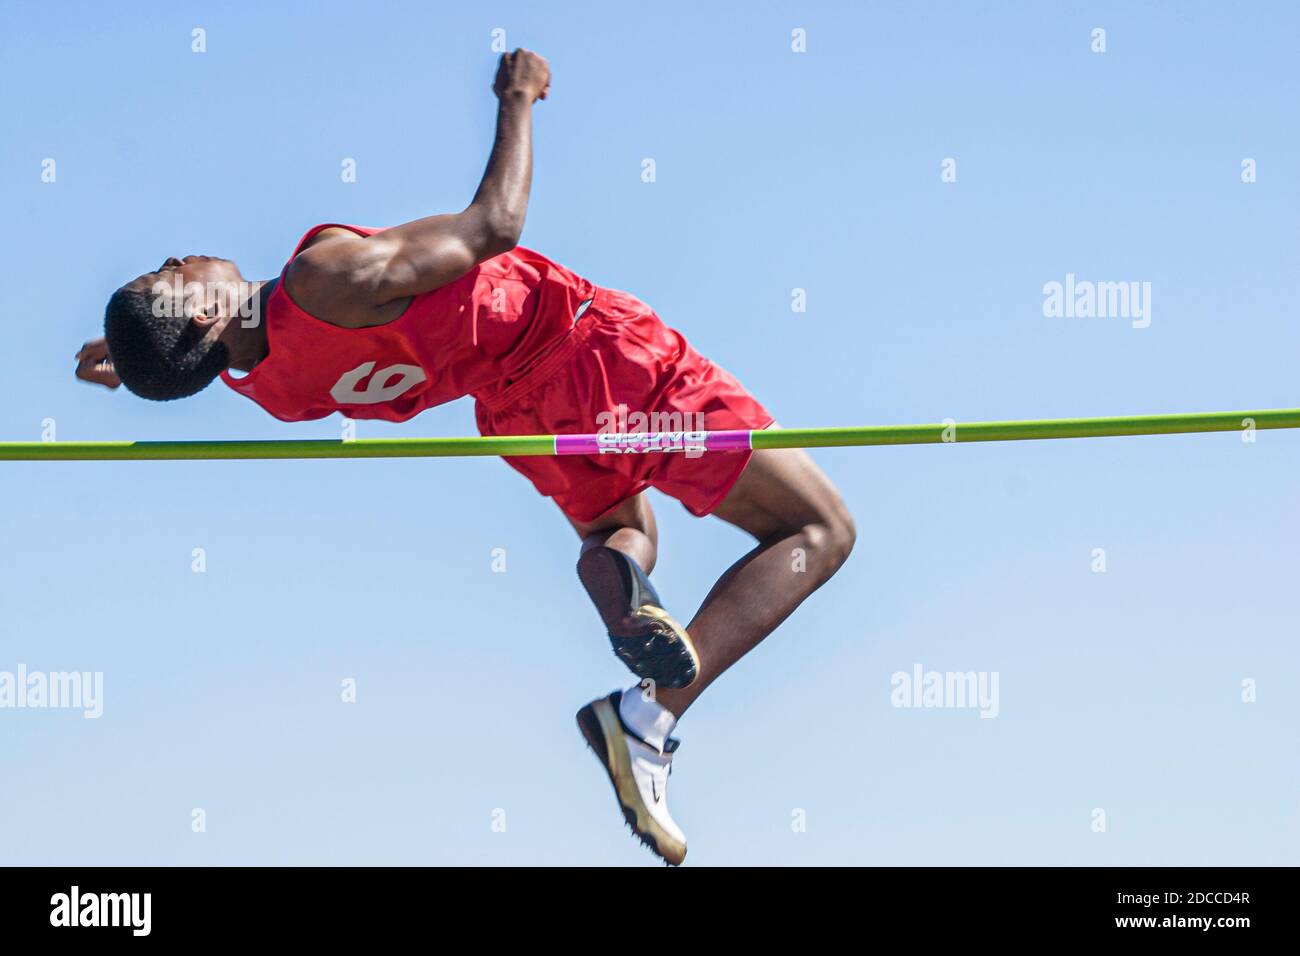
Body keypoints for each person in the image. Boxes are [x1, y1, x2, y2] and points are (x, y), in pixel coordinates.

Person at [74, 49, 855, 865]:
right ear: (200, 320)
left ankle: (615, 577)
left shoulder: (270, 386)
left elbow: (196, 360)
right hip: (588, 350)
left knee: (622, 528)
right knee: (817, 527)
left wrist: (135, 363)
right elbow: (495, 228)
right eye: (167, 274)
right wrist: (517, 97)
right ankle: (648, 718)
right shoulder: (321, 279)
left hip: (514, 410)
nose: (178, 258)